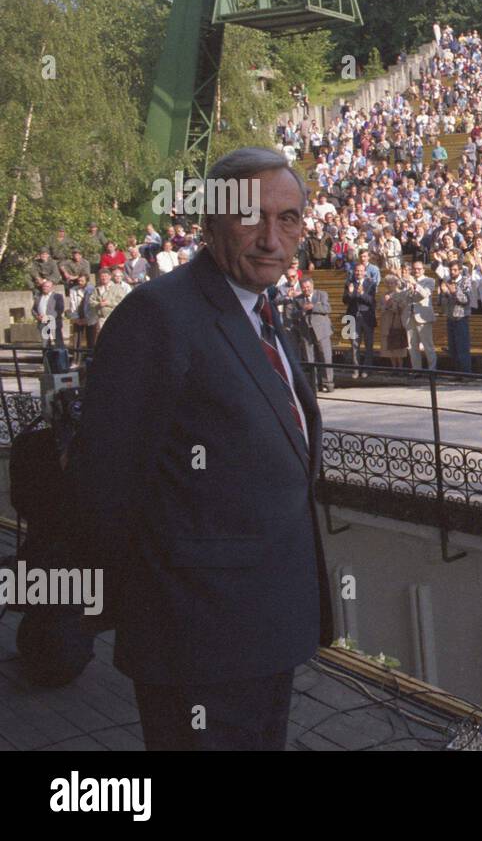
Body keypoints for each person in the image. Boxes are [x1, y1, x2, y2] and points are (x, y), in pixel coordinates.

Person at [66, 147, 331, 750]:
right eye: (252, 218)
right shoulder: (156, 317)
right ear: (211, 224)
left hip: (267, 629)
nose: (271, 238)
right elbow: (102, 486)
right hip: (196, 642)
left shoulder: (261, 310)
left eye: (287, 219)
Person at [292, 277, 334, 392]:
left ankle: (328, 384)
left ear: (312, 286)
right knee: (310, 360)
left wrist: (313, 307)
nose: (306, 289)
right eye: (304, 288)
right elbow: (292, 314)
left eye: (308, 287)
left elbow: (327, 308)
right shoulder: (297, 299)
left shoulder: (321, 294)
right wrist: (302, 311)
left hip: (322, 332)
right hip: (306, 332)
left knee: (325, 357)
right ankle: (313, 385)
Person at [344, 262, 377, 378]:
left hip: (367, 317)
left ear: (365, 272)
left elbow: (372, 301)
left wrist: (361, 293)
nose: (358, 273)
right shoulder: (349, 283)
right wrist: (350, 293)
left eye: (361, 271)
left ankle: (367, 369)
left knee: (368, 344)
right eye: (357, 271)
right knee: (354, 345)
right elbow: (345, 300)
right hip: (352, 317)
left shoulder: (371, 284)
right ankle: (356, 369)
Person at [32, 278, 65, 348]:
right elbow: (33, 309)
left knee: (58, 343)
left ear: (52, 288)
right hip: (43, 323)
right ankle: (46, 358)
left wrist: (48, 318)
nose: (45, 288)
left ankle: (61, 358)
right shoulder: (38, 297)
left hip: (54, 323)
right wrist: (37, 317)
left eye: (47, 286)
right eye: (44, 286)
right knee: (45, 344)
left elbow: (60, 309)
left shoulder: (57, 296)